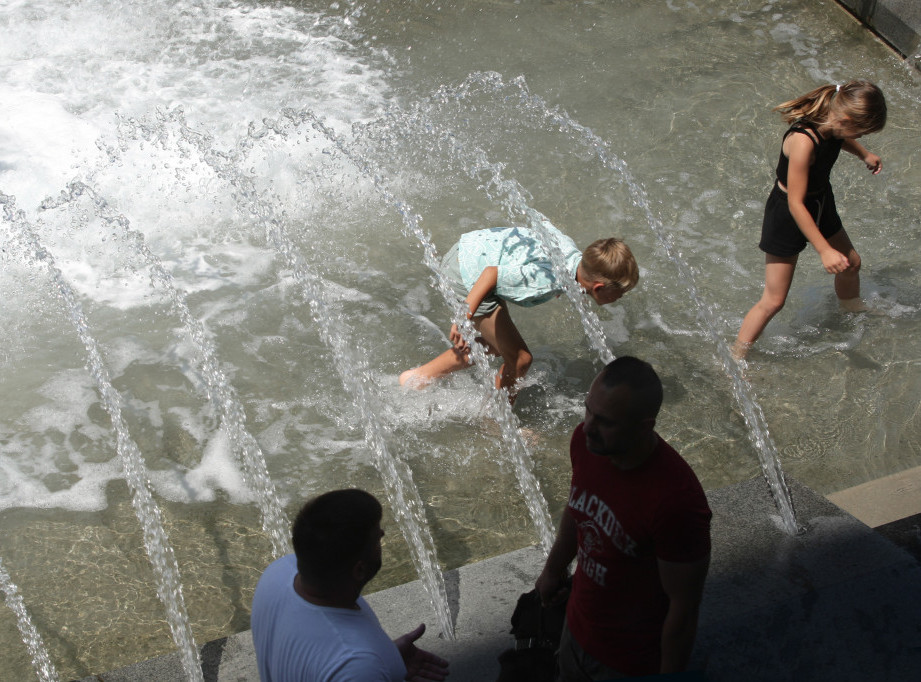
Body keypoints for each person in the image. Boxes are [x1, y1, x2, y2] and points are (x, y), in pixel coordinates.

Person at [535, 357, 712, 680]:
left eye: (605, 421)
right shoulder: (587, 444)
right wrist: (553, 569)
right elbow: (579, 512)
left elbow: (683, 609)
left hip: (628, 662)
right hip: (575, 630)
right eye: (588, 410)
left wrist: (670, 675)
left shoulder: (676, 501)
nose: (588, 426)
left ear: (645, 426)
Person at [399, 223, 638, 401]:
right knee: (520, 359)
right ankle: (496, 420)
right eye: (620, 293)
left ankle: (417, 378)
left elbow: (540, 224)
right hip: (466, 274)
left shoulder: (570, 254)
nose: (620, 298)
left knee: (495, 346)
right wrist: (464, 316)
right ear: (598, 288)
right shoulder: (547, 280)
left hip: (471, 250)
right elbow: (491, 274)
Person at [734, 80, 887, 358]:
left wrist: (864, 153)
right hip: (788, 214)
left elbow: (841, 137)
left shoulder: (835, 120)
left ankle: (850, 307)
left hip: (820, 201)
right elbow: (795, 202)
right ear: (845, 119)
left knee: (851, 264)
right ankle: (737, 355)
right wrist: (824, 250)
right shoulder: (803, 141)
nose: (861, 137)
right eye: (862, 132)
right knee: (774, 300)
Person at [251, 488, 449, 682]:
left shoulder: (277, 573)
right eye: (376, 539)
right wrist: (370, 667)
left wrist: (387, 659)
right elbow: (345, 660)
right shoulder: (357, 665)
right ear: (359, 570)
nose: (382, 532)